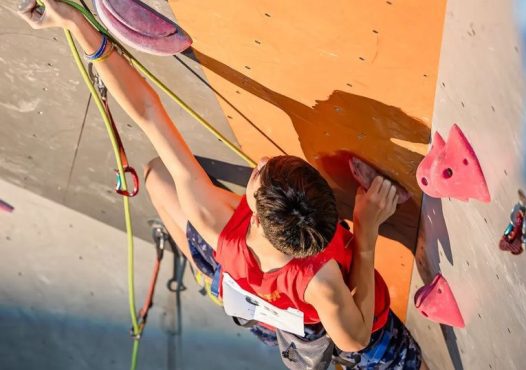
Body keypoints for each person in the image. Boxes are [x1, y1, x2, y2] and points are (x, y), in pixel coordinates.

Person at [16, 1, 426, 368]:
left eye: (261, 173)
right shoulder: (321, 280)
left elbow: (147, 114)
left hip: (255, 301)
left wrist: (75, 24)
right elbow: (354, 337)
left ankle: (205, 276)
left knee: (161, 176)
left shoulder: (216, 222)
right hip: (295, 313)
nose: (262, 161)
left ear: (261, 219)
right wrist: (366, 229)